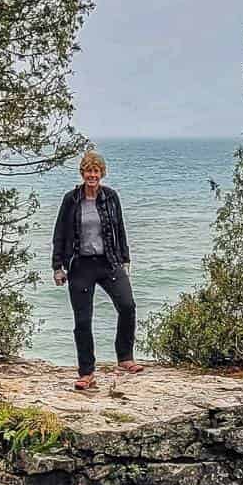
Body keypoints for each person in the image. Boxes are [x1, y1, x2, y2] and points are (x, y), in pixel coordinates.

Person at [51, 149, 145, 390]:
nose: (92, 175)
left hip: (109, 261)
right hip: (80, 265)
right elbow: (59, 233)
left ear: (101, 173)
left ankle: (125, 357)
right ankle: (86, 372)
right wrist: (58, 267)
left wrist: (125, 259)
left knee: (127, 305)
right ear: (82, 173)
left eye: (96, 171)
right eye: (88, 171)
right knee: (83, 320)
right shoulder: (71, 199)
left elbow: (120, 229)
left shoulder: (111, 197)